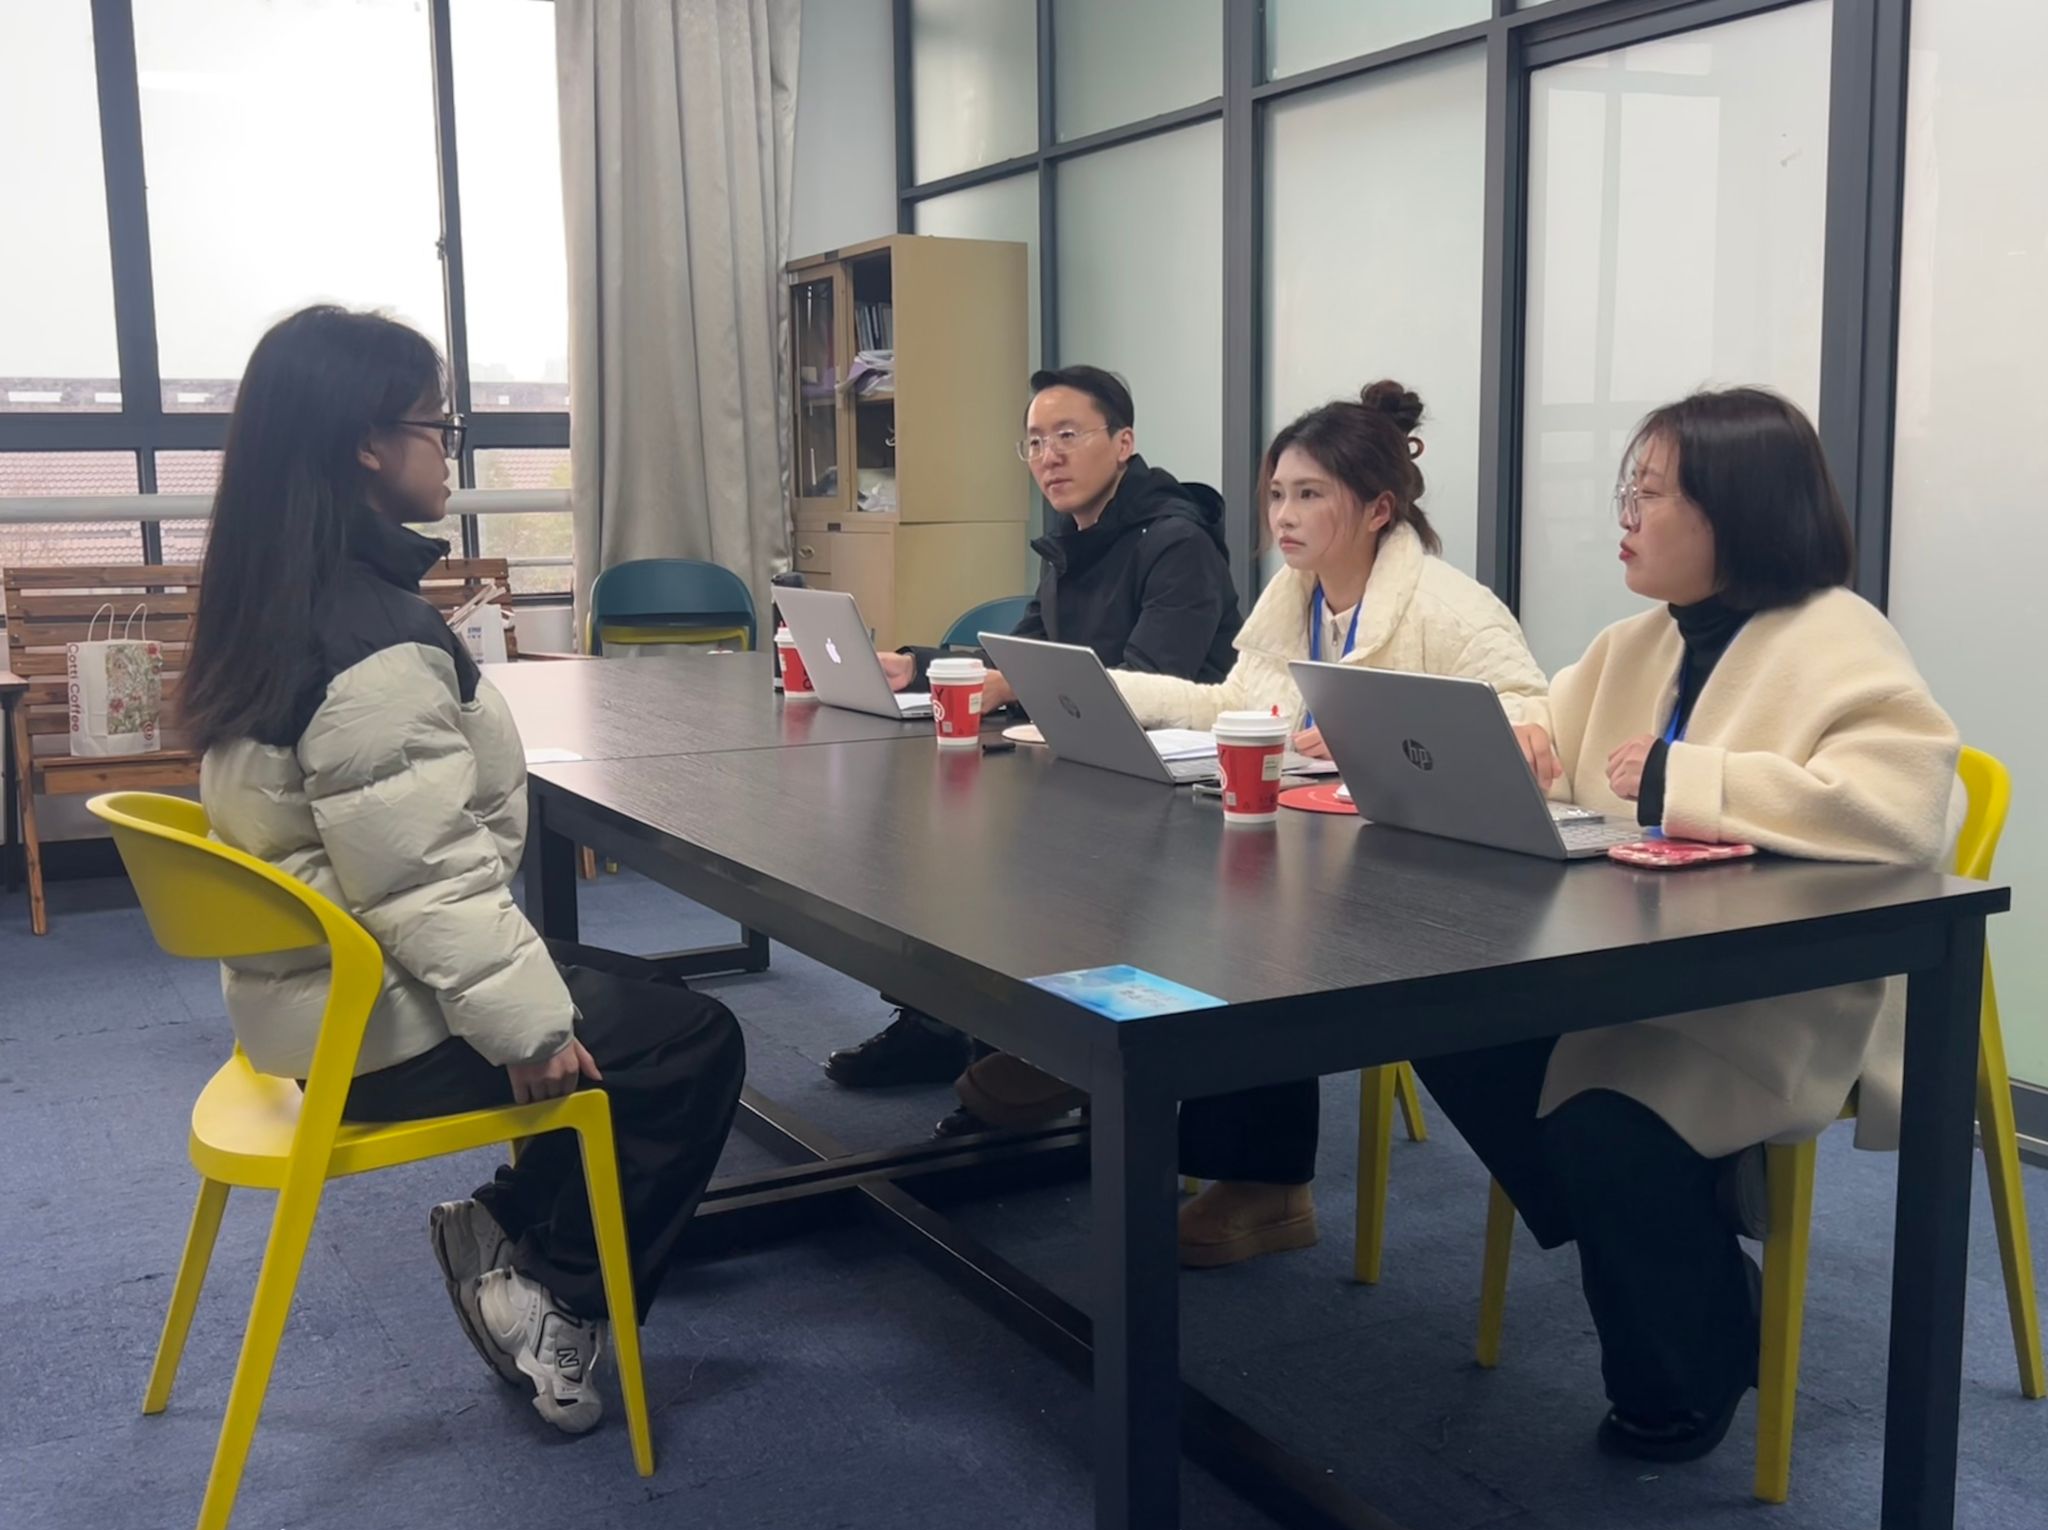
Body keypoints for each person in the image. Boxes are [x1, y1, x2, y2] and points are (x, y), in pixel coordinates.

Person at [181, 306, 746, 1438]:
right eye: (437, 426)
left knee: (653, 994)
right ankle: (553, 1294)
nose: (449, 450)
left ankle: (503, 1224)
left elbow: (404, 866)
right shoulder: (370, 639)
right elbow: (427, 879)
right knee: (694, 1043)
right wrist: (528, 1031)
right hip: (369, 1026)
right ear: (365, 443)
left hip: (317, 995)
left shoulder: (285, 596)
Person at [1418, 386, 1959, 1465]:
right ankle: (1670, 1239)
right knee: (1438, 1021)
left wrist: (1691, 779)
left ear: (1738, 511)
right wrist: (1524, 742)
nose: (1623, 515)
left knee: (1600, 1128)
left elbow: (1904, 810)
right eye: (1628, 489)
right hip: (1625, 968)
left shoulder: (1840, 639)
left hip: (1770, 989)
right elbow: (1559, 736)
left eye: (1650, 493)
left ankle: (1688, 1364)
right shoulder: (1635, 642)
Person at [945, 383, 1548, 1273]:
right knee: (1171, 874)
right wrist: (1099, 690)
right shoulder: (1294, 594)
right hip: (1329, 849)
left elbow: (1530, 719)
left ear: (1379, 509)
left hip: (1432, 886)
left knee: (1245, 922)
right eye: (1277, 494)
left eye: (1309, 495)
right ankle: (1083, 1050)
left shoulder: (1451, 608)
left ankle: (1266, 1182)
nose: (1283, 516)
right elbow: (1233, 703)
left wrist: (1384, 742)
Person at [826, 365, 1244, 1089]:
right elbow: (1018, 652)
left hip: (1177, 795)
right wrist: (918, 664)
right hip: (1084, 767)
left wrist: (1015, 683)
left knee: (985, 850)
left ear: (1123, 443)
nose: (1049, 457)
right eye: (1035, 442)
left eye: (1067, 436)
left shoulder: (1177, 543)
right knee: (923, 829)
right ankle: (940, 1024)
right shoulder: (1075, 535)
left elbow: (1147, 687)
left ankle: (1040, 1060)